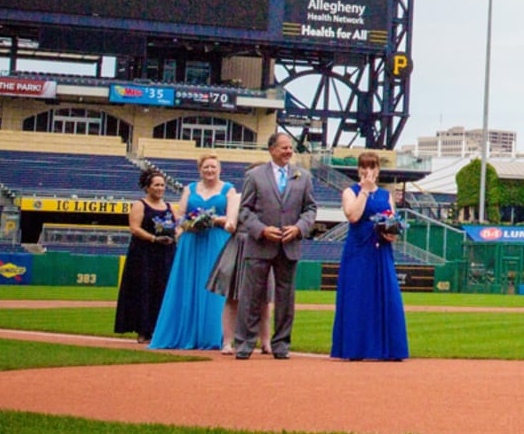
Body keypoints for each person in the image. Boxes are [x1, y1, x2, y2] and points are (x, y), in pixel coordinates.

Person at [235, 131, 316, 360]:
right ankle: (244, 344)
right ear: (272, 150)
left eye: (290, 148)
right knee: (251, 296)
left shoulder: (304, 176)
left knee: (286, 299)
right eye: (284, 148)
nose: (288, 151)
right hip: (260, 245)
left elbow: (310, 209)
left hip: (289, 246)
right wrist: (261, 229)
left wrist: (299, 228)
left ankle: (281, 345)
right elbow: (244, 210)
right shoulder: (255, 175)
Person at [150, 155, 238, 351]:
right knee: (187, 284)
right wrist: (187, 224)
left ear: (219, 169)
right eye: (206, 167)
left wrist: (212, 220)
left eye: (213, 167)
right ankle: (184, 332)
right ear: (200, 169)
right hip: (191, 242)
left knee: (215, 289)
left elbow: (232, 218)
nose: (209, 170)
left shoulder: (229, 189)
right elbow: (180, 215)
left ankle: (216, 335)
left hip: (216, 241)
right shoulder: (189, 188)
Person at [333, 151, 410, 361]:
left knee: (388, 296)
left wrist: (392, 233)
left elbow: (393, 220)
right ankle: (355, 348)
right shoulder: (350, 192)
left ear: (378, 170)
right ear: (358, 169)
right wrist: (364, 192)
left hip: (381, 250)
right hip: (358, 249)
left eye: (372, 167)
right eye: (364, 167)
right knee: (357, 296)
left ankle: (391, 349)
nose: (368, 171)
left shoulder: (386, 195)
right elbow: (354, 215)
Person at [113, 170, 178, 343]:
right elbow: (134, 228)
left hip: (166, 254)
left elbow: (178, 227)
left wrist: (176, 235)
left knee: (163, 291)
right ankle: (142, 330)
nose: (160, 188)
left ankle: (159, 329)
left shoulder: (170, 206)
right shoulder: (140, 204)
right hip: (144, 255)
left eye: (162, 185)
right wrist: (154, 238)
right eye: (156, 185)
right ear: (148, 187)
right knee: (144, 290)